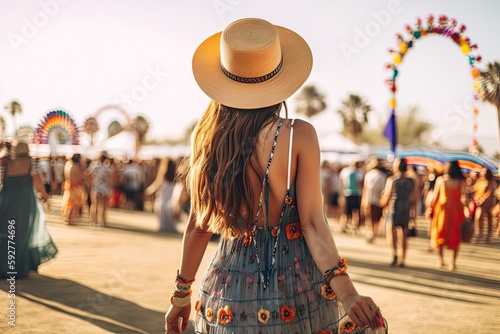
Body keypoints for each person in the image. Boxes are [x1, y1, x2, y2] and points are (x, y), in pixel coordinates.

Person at [165, 18, 386, 334]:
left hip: (228, 292)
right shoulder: (299, 135)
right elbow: (312, 223)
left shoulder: (208, 140)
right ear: (279, 79)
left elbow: (199, 227)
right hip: (296, 289)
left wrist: (181, 294)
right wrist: (347, 293)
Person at [0, 141, 58, 278]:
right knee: (22, 233)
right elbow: (37, 182)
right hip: (24, 202)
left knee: (6, 233)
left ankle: (5, 265)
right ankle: (18, 266)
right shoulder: (31, 163)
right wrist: (44, 195)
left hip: (7, 201)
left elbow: (1, 182)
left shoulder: (5, 163)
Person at [428, 161, 467, 271]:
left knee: (440, 233)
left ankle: (441, 260)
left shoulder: (441, 180)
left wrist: (430, 209)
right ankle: (453, 263)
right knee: (455, 235)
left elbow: (435, 198)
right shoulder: (459, 182)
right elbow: (464, 197)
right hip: (456, 212)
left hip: (443, 211)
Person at [380, 158, 418, 268]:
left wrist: (382, 201)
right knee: (403, 235)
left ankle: (394, 254)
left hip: (393, 209)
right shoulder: (412, 181)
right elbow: (415, 200)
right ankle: (403, 258)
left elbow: (387, 197)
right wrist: (413, 215)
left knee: (391, 234)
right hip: (405, 209)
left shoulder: (392, 180)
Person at [361, 158, 388, 243]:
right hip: (377, 200)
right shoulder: (382, 176)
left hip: (369, 200)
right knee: (376, 219)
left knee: (369, 218)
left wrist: (363, 200)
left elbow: (365, 189)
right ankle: (374, 233)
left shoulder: (368, 175)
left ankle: (371, 233)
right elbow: (383, 190)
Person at [88, 153, 115, 227]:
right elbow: (111, 179)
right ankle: (103, 222)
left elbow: (88, 175)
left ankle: (93, 221)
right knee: (104, 206)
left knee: (94, 205)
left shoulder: (94, 167)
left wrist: (91, 183)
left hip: (96, 187)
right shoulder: (108, 169)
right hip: (105, 188)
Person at [61, 153, 87, 225]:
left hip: (69, 184)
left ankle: (69, 218)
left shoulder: (68, 164)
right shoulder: (76, 166)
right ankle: (70, 218)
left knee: (69, 202)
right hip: (75, 186)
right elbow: (80, 177)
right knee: (73, 203)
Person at [472, 167, 496, 243]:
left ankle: (488, 236)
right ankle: (479, 234)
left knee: (489, 218)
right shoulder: (479, 181)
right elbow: (474, 190)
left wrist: (482, 200)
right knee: (478, 218)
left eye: (485, 172)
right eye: (483, 172)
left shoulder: (491, 181)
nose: (483, 174)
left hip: (488, 202)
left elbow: (489, 192)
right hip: (479, 202)